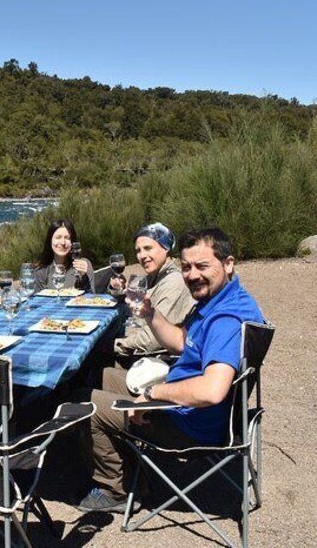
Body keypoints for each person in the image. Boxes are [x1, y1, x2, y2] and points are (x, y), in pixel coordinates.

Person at [77, 227, 264, 513]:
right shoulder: (218, 301)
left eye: (203, 266)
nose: (192, 275)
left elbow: (212, 391)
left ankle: (116, 489)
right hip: (183, 402)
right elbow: (180, 341)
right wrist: (150, 313)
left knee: (82, 405)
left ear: (228, 264)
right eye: (187, 267)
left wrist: (153, 393)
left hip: (187, 423)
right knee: (97, 376)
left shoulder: (226, 318)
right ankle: (124, 458)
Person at [105, 222, 195, 366]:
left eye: (148, 248)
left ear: (165, 248)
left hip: (158, 362)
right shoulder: (153, 277)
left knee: (93, 362)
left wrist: (113, 345)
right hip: (140, 349)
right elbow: (133, 308)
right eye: (138, 250)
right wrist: (118, 290)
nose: (142, 255)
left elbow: (152, 339)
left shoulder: (174, 282)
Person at [33, 219, 95, 293]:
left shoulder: (83, 265)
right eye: (58, 237)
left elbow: (92, 298)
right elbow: (37, 301)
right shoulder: (42, 270)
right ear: (50, 240)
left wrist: (84, 278)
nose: (63, 242)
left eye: (67, 238)